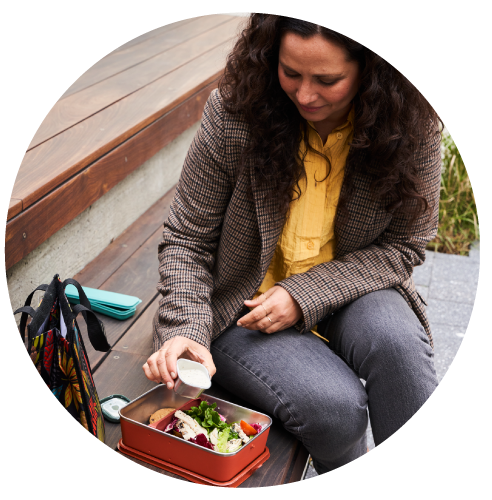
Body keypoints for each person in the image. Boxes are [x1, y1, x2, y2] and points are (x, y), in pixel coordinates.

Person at [143, 14, 442, 473]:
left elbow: (405, 245)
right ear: (270, 57)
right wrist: (184, 327)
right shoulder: (233, 114)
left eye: (327, 80)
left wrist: (303, 295)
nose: (305, 94)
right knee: (336, 410)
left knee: (398, 348)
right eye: (290, 72)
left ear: (371, 71)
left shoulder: (412, 127)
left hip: (353, 290)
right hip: (243, 309)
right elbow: (187, 238)